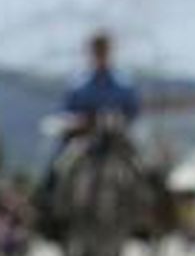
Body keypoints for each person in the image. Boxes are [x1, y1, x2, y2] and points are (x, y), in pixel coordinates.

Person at [37, 31, 141, 237]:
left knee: (138, 169)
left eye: (104, 49)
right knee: (59, 166)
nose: (100, 54)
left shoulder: (123, 83)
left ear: (110, 52)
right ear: (91, 52)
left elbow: (133, 111)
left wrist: (121, 120)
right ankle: (49, 211)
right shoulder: (79, 83)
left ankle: (136, 214)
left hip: (114, 140)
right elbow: (66, 110)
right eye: (96, 50)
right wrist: (77, 121)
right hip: (83, 139)